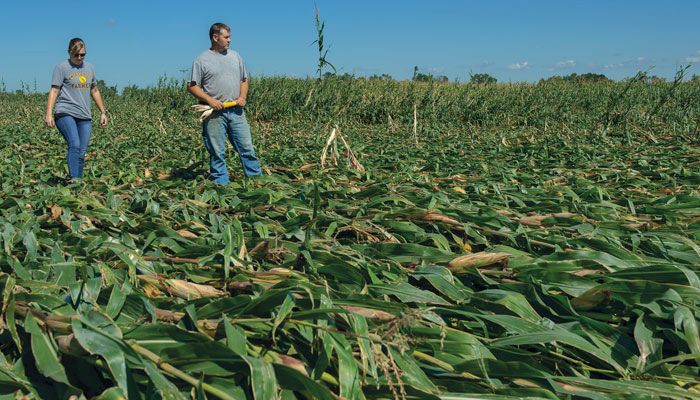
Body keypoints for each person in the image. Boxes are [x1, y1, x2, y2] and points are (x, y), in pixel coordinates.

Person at [187, 22, 262, 185]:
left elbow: (244, 80)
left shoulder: (236, 56)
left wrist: (242, 96)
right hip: (214, 114)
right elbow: (192, 86)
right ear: (215, 37)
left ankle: (256, 182)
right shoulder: (202, 60)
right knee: (217, 152)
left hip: (236, 111)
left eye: (230, 37)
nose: (229, 40)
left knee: (247, 148)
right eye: (226, 37)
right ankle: (221, 186)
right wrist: (210, 100)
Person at [45, 38, 108, 182]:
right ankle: (74, 181)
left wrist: (103, 112)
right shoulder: (61, 67)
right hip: (65, 112)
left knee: (82, 152)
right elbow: (54, 91)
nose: (79, 58)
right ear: (69, 52)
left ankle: (78, 184)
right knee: (75, 144)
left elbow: (95, 90)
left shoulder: (90, 68)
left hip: (85, 115)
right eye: (76, 55)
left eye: (82, 55)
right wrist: (49, 114)